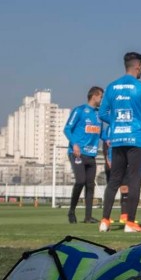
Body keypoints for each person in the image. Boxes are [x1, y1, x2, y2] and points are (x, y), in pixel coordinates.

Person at [98, 52, 141, 233]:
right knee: (134, 180)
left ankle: (104, 221)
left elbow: (102, 113)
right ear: (138, 66)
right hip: (136, 139)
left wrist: (117, 121)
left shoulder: (111, 87)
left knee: (114, 181)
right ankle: (130, 223)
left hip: (117, 139)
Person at [63, 86, 103, 224]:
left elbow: (100, 133)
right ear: (95, 96)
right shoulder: (79, 110)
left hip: (91, 154)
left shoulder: (99, 114)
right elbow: (67, 129)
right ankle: (71, 211)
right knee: (80, 181)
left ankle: (88, 217)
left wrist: (109, 139)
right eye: (101, 97)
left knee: (90, 185)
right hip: (77, 153)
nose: (102, 100)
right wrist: (74, 144)